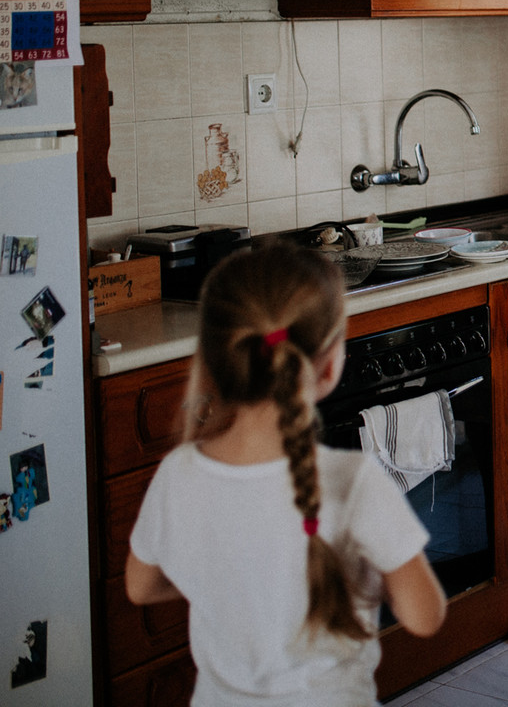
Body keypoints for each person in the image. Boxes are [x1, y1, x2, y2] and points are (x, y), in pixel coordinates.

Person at [125, 245, 446, 705]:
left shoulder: (178, 474)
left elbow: (141, 586)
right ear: (330, 364)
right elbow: (425, 616)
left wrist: (229, 573)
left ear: (216, 357)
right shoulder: (352, 480)